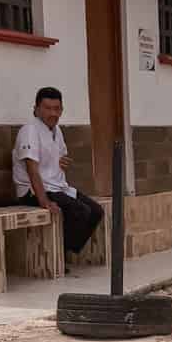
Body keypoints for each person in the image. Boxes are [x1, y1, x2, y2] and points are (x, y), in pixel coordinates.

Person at [12, 87, 104, 265]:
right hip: (33, 192)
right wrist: (44, 201)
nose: (52, 113)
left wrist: (61, 162)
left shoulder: (56, 131)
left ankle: (64, 250)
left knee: (96, 211)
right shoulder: (30, 130)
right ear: (37, 109)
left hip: (58, 187)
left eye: (56, 109)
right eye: (47, 108)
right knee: (80, 211)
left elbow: (59, 157)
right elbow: (31, 169)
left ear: (61, 110)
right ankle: (57, 256)